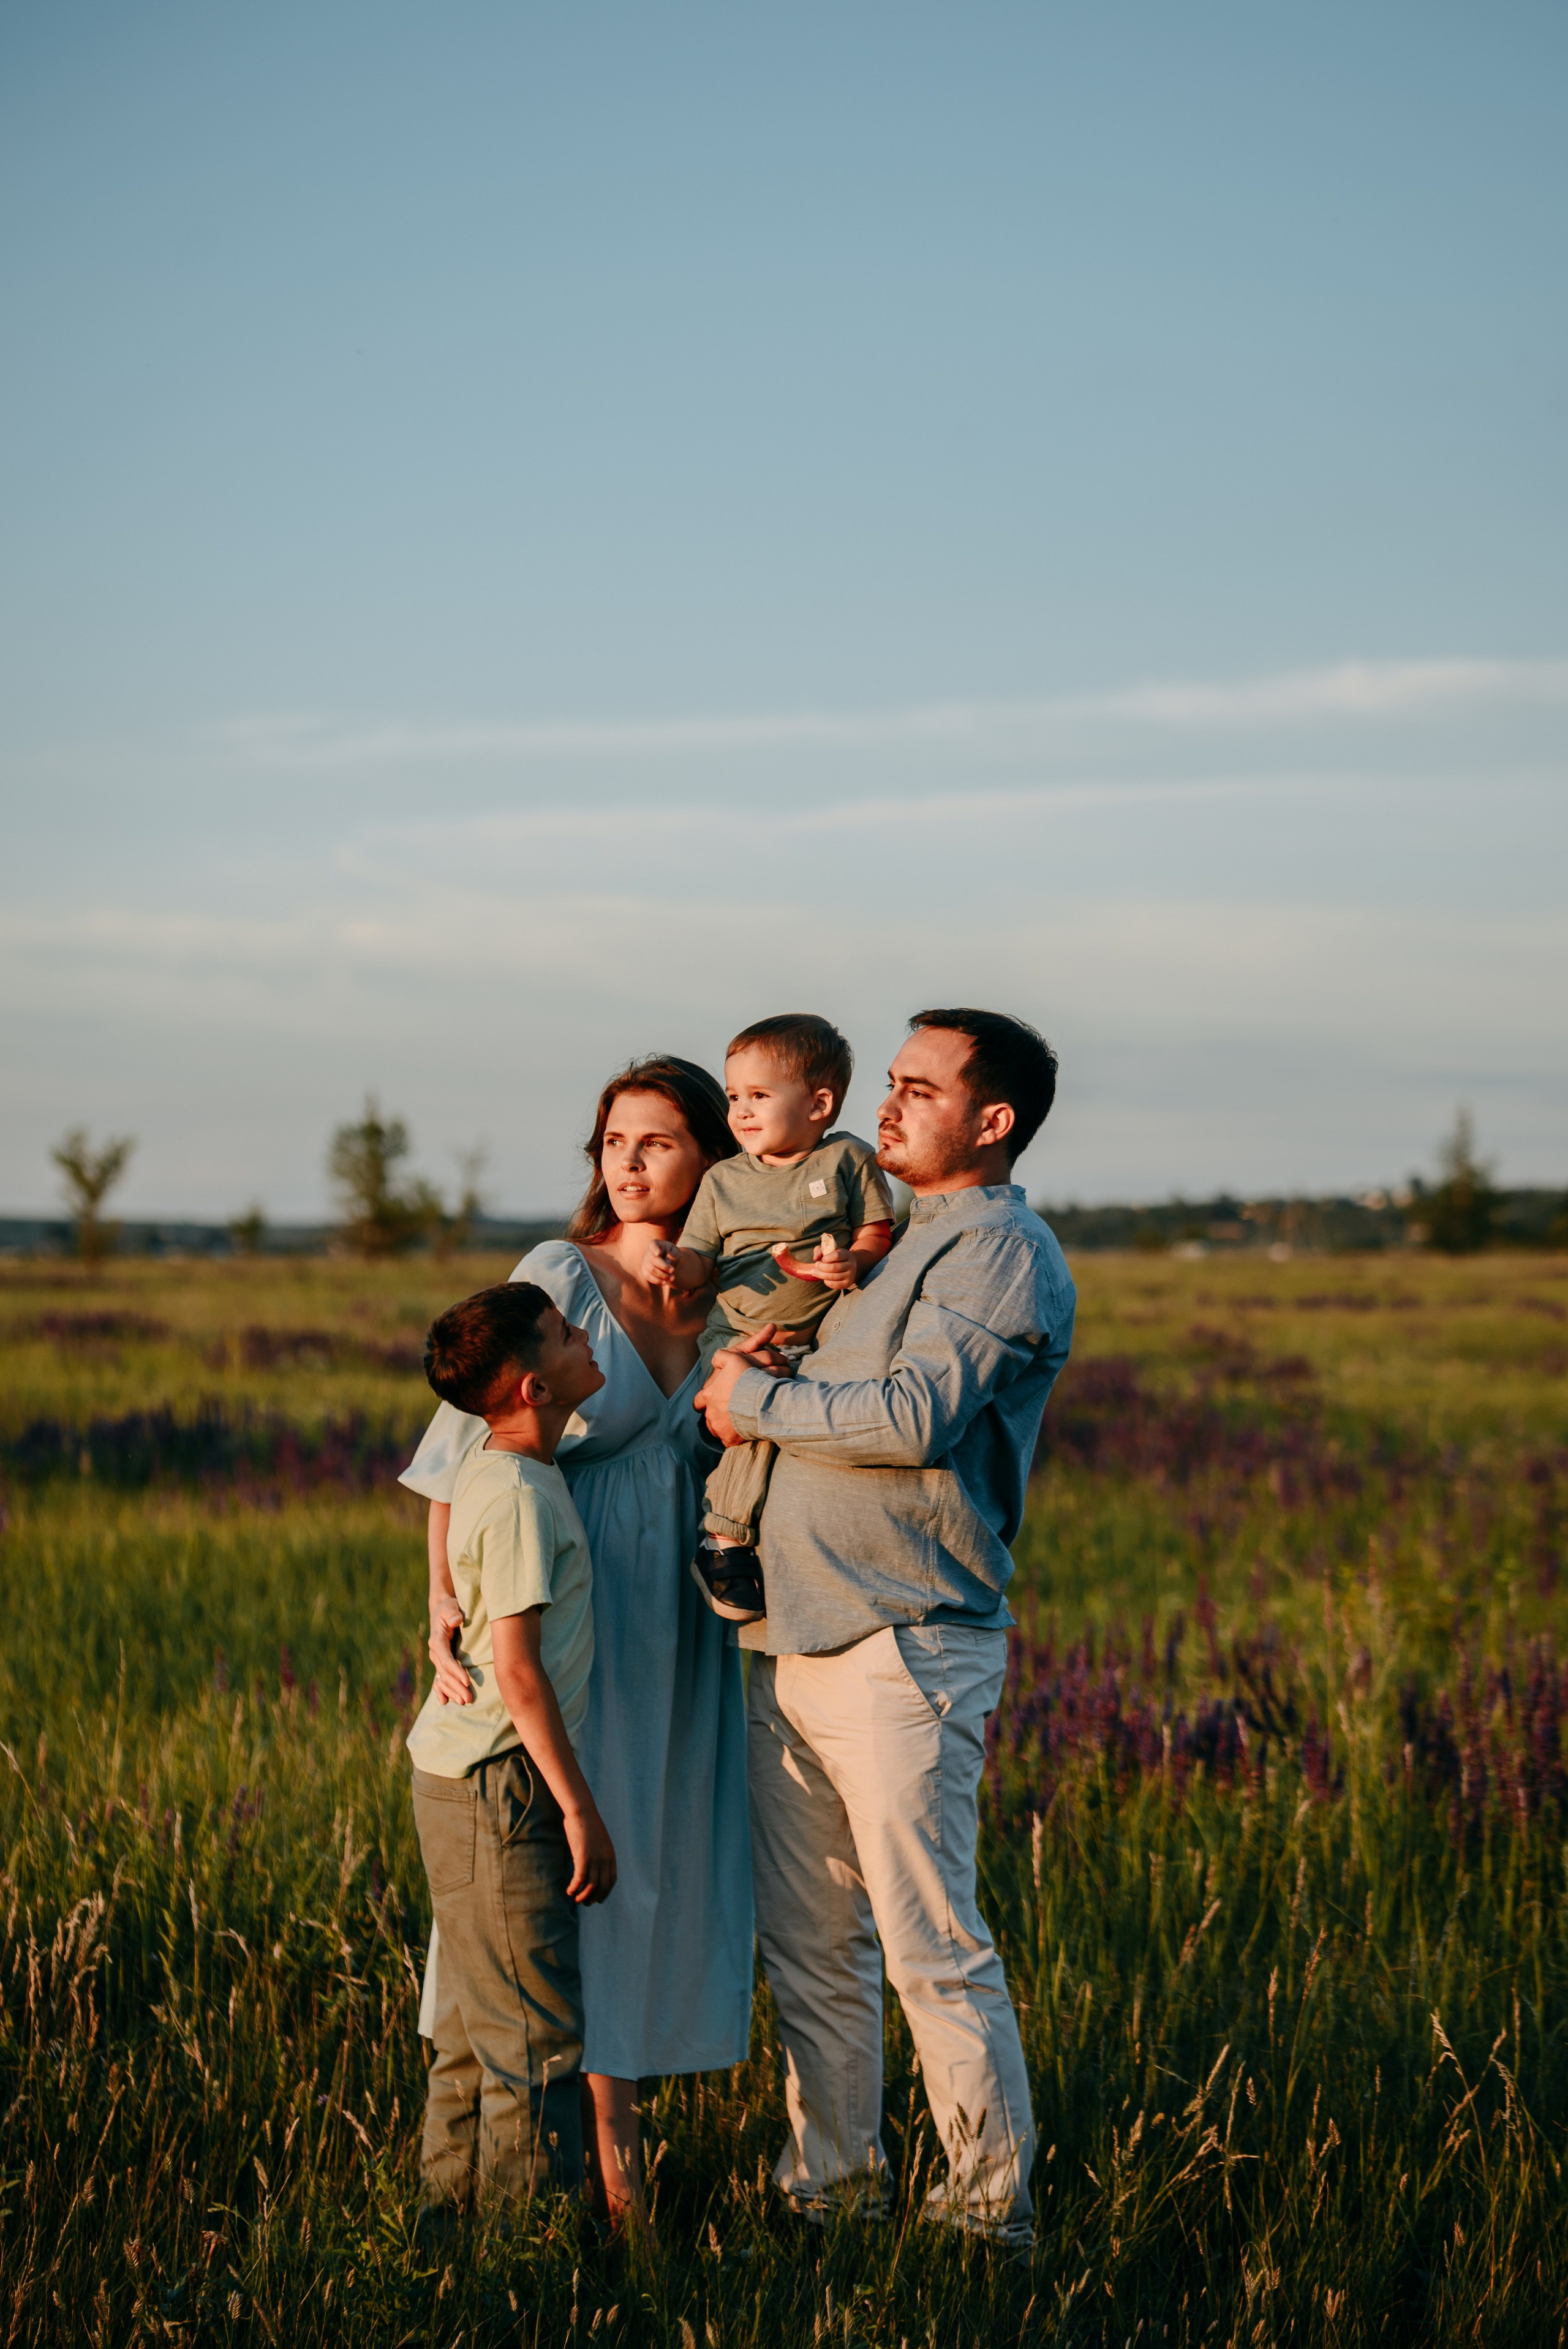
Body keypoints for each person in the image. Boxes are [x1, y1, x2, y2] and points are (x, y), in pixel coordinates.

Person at [695, 1008, 1076, 2249]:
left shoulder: (998, 1250)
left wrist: (751, 1398)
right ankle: (831, 2197)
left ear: (992, 1119)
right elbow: (828, 1393)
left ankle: (981, 2228)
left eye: (918, 1087)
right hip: (790, 1642)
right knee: (815, 1955)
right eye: (890, 1082)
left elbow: (910, 1417)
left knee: (929, 1950)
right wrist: (765, 1364)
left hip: (902, 1643)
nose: (885, 1105)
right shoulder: (895, 1243)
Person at [401, 1057, 753, 2226]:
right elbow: (466, 1444)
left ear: (715, 1157)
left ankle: (620, 2113)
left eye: (657, 1140)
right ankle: (572, 2156)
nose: (630, 1161)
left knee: (647, 1852)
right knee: (559, 1852)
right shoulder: (561, 1276)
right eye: (612, 1141)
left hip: (680, 1620)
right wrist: (444, 1597)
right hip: (569, 1601)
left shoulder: (735, 1285)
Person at [406, 1281, 614, 2220]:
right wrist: (577, 1806)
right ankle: (530, 2266)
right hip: (501, 1784)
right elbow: (520, 1673)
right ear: (533, 1386)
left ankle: (442, 2231)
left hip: (453, 1777)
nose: (586, 1336)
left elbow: (442, 1510)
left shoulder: (494, 1467)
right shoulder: (525, 1495)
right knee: (534, 2037)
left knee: (467, 2026)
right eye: (571, 1333)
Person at [643, 1013, 893, 1623]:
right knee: (748, 1426)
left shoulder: (846, 1159)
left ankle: (780, 1549)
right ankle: (723, 1540)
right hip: (737, 1336)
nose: (742, 1111)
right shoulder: (723, 1181)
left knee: (804, 1441)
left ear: (819, 1103)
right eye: (734, 1096)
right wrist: (680, 1265)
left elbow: (877, 1231)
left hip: (826, 1337)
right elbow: (705, 1261)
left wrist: (852, 1263)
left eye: (759, 1095)